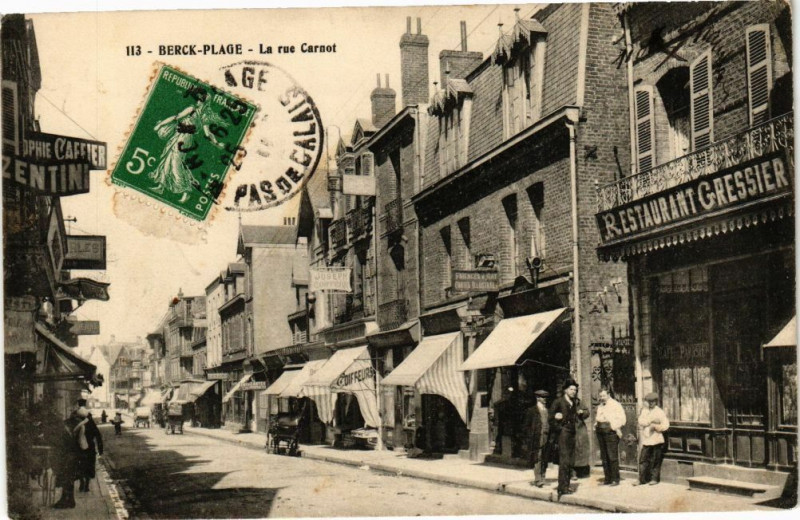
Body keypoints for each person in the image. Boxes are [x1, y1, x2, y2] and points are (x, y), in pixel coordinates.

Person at [549, 379, 587, 497]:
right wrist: (559, 427)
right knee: (564, 461)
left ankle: (566, 485)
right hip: (563, 433)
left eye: (575, 390)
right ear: (565, 390)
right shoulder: (558, 401)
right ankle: (562, 488)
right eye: (571, 389)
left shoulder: (574, 402)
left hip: (572, 433)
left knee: (570, 460)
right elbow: (550, 418)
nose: (573, 391)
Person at [635, 392, 670, 486]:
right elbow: (640, 421)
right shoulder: (644, 411)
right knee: (643, 460)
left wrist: (656, 426)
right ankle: (641, 479)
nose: (651, 403)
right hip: (647, 439)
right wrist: (651, 421)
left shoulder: (659, 412)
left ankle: (654, 479)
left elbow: (666, 425)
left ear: (656, 402)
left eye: (653, 401)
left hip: (656, 438)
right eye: (649, 401)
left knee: (655, 460)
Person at [594, 388, 627, 486]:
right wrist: (596, 424)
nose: (602, 398)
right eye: (600, 396)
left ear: (608, 395)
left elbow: (622, 419)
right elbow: (599, 417)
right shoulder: (600, 405)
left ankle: (615, 479)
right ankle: (607, 478)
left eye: (604, 396)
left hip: (610, 432)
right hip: (600, 431)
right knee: (604, 456)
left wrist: (614, 427)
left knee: (612, 456)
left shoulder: (615, 405)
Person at [52, 413, 81, 508]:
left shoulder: (61, 431)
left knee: (66, 479)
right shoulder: (65, 429)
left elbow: (60, 445)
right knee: (68, 480)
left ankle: (66, 500)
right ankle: (69, 500)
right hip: (72, 458)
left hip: (68, 459)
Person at [76, 409, 103, 492]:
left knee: (80, 465)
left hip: (79, 448)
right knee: (89, 465)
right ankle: (87, 484)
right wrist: (100, 449)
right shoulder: (91, 423)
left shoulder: (78, 424)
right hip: (90, 448)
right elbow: (98, 436)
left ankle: (82, 482)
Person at [527, 390, 550, 487]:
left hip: (546, 437)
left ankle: (543, 478)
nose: (545, 399)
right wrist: (530, 436)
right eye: (543, 397)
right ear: (537, 398)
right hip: (537, 437)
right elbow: (527, 426)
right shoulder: (532, 410)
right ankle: (538, 479)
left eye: (546, 397)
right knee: (538, 457)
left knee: (545, 457)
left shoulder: (547, 410)